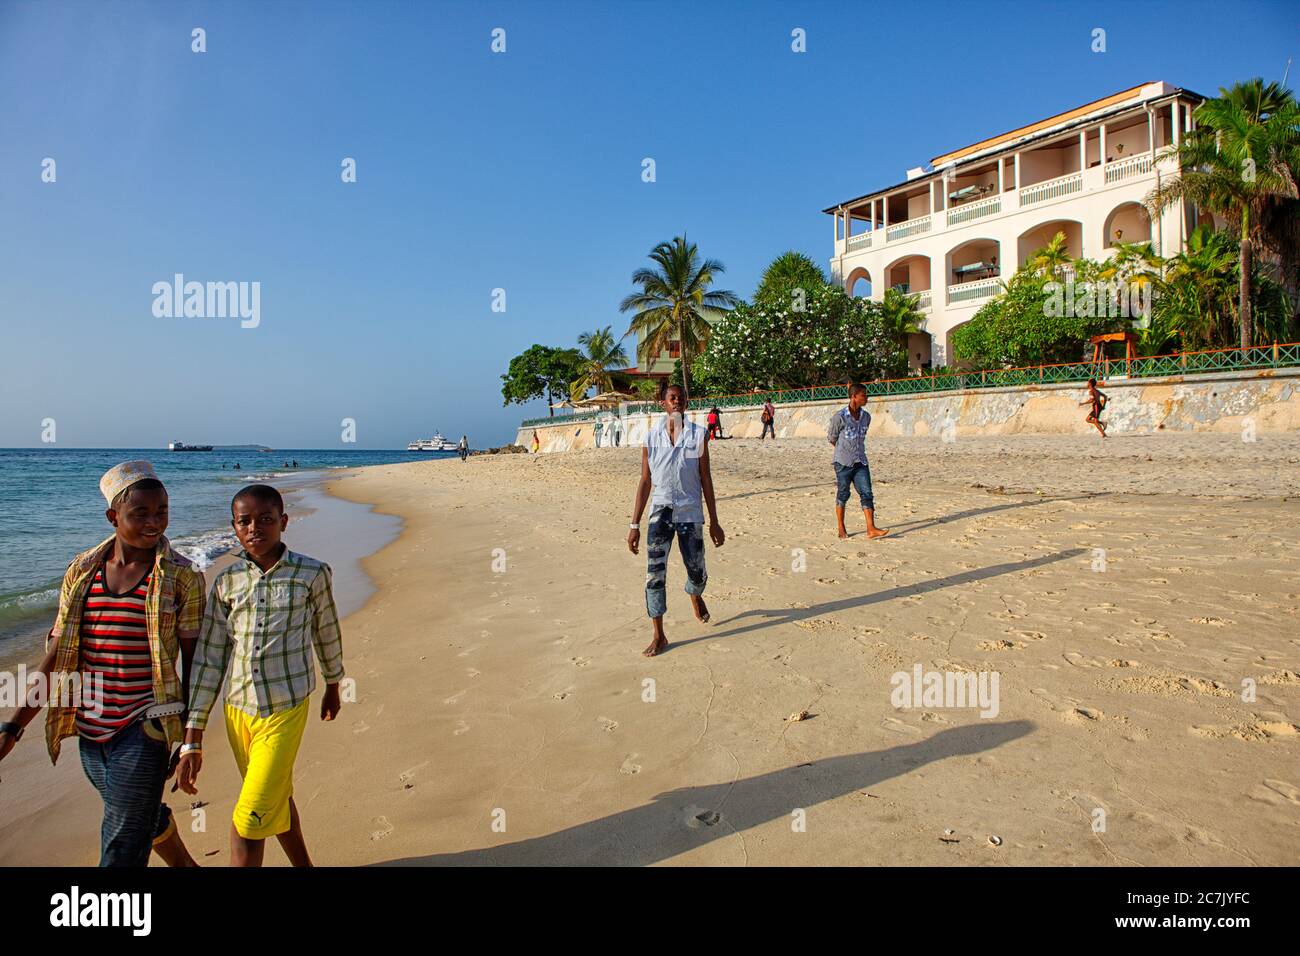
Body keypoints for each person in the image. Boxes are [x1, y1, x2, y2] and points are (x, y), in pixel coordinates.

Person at [0, 461, 201, 867]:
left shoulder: (182, 576)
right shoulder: (81, 572)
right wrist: (15, 725)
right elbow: (56, 656)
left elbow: (195, 663)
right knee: (137, 814)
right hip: (90, 729)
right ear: (113, 516)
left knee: (121, 843)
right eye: (140, 513)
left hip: (146, 726)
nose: (154, 522)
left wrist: (191, 739)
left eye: (161, 511)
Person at [178, 484, 345, 867]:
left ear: (283, 522)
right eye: (245, 521)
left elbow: (327, 632)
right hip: (238, 711)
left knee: (250, 817)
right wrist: (193, 734)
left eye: (266, 519)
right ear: (234, 528)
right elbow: (210, 657)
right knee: (275, 798)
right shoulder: (226, 581)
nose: (256, 528)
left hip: (286, 707)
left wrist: (334, 683)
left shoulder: (312, 573)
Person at [627, 384, 725, 657]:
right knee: (654, 574)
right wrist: (634, 524)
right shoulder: (651, 438)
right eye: (672, 398)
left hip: (690, 512)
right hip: (660, 511)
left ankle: (695, 593)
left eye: (681, 398)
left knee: (697, 571)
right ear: (663, 403)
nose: (678, 402)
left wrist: (714, 521)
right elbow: (645, 481)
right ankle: (659, 634)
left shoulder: (698, 436)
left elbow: (706, 478)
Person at [828, 384, 889, 540]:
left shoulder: (866, 417)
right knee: (843, 494)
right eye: (863, 395)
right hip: (843, 463)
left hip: (861, 461)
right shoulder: (839, 417)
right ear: (854, 396)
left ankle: (871, 528)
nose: (866, 398)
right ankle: (841, 527)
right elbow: (832, 438)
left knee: (867, 493)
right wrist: (844, 451)